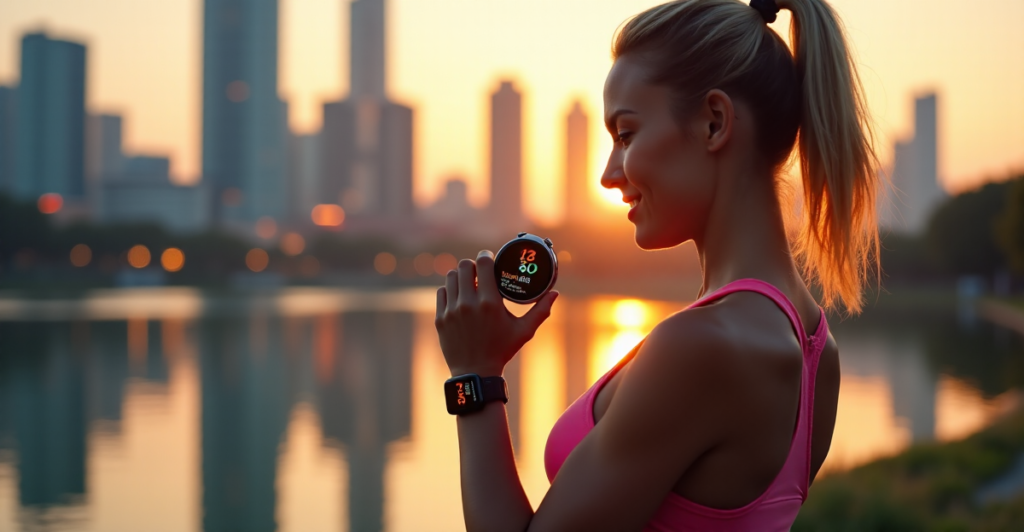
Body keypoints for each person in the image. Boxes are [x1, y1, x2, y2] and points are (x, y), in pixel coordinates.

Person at [434, 0, 881, 529]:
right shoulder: (817, 349)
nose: (608, 174)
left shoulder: (700, 347)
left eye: (626, 134)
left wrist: (476, 375)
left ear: (714, 123)